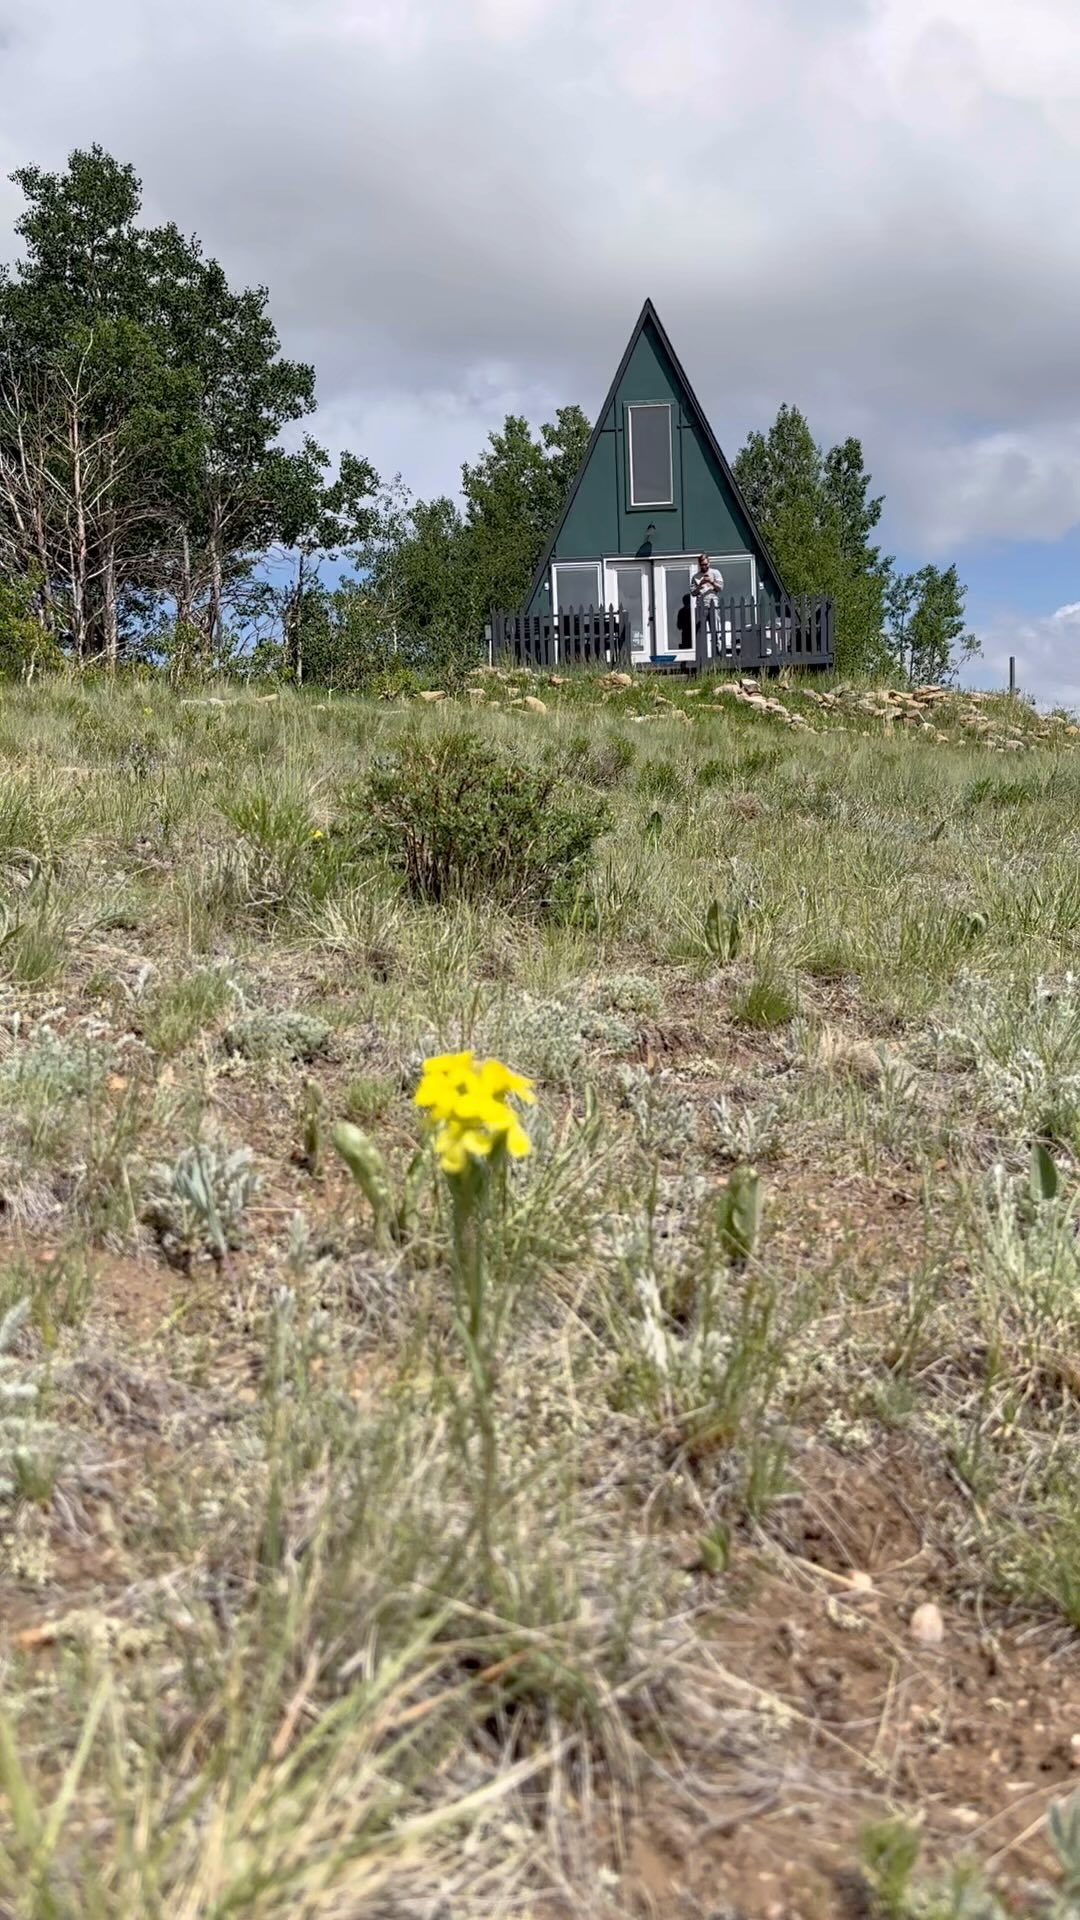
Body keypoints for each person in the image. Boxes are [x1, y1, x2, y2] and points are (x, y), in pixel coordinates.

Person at [690, 553, 724, 653]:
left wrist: (711, 582)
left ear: (709, 562)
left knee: (715, 629)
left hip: (713, 603)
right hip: (701, 606)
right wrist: (700, 584)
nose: (704, 566)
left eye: (705, 564)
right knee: (701, 631)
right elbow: (693, 593)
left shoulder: (715, 572)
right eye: (702, 564)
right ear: (699, 564)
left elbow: (721, 588)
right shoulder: (695, 577)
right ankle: (702, 653)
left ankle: (717, 652)